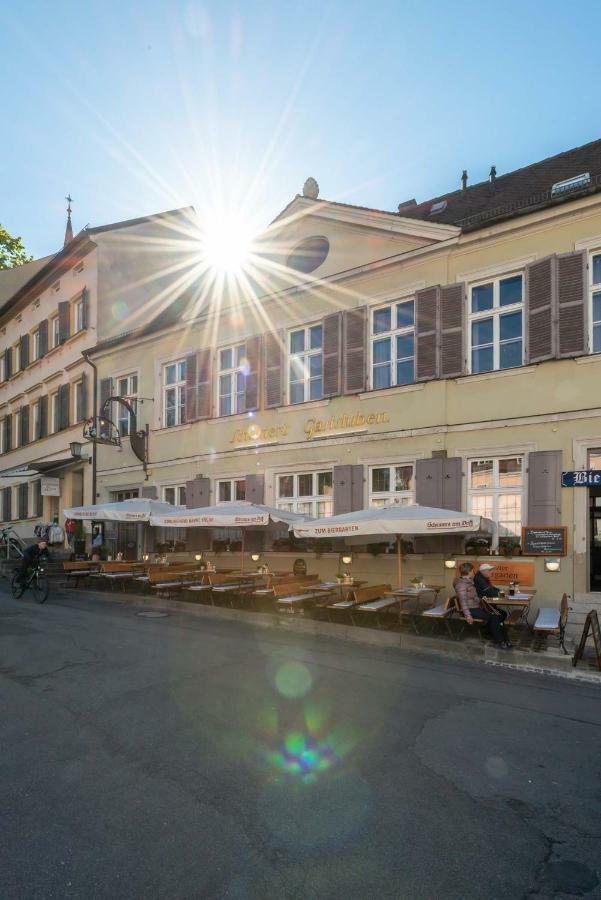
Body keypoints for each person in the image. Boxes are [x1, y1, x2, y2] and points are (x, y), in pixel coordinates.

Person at [453, 562, 512, 649]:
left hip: (476, 607)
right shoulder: (461, 584)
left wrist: (481, 601)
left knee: (498, 614)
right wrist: (468, 615)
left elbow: (475, 596)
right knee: (494, 616)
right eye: (473, 571)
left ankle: (504, 639)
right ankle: (500, 641)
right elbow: (463, 601)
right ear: (470, 571)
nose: (474, 572)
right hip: (470, 609)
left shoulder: (470, 581)